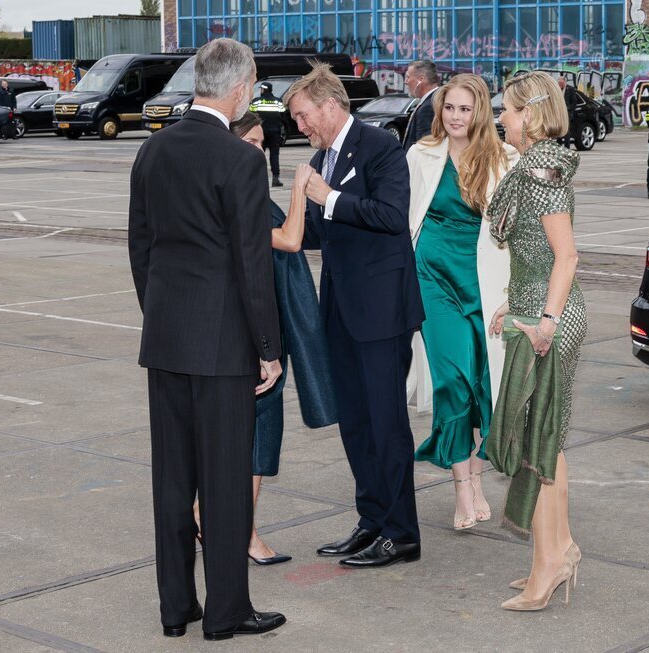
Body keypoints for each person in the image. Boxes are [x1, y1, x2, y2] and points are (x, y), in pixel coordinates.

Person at [128, 38, 286, 641]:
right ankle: (226, 612)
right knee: (224, 483)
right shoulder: (239, 159)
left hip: (166, 341)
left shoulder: (153, 150)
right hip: (222, 348)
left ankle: (176, 608)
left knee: (172, 481)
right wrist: (267, 347)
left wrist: (162, 314)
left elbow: (141, 249)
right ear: (242, 85)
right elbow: (253, 264)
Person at [285, 63, 425, 568]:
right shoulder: (324, 156)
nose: (299, 127)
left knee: (386, 423)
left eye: (302, 116)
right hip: (341, 309)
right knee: (356, 422)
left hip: (382, 311)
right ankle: (372, 519)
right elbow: (325, 234)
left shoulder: (381, 146)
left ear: (329, 106)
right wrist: (295, 209)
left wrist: (329, 197)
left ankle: (402, 532)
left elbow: (391, 217)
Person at [192, 111, 338, 566]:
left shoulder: (244, 192)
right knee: (253, 437)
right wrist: (298, 189)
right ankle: (239, 531)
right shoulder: (238, 199)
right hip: (253, 338)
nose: (257, 148)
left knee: (257, 437)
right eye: (249, 141)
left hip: (265, 332)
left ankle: (223, 522)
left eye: (260, 141)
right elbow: (291, 240)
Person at [487, 70, 587, 611]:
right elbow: (536, 254)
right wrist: (516, 299)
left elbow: (566, 257)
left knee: (542, 439)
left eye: (508, 109)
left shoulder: (541, 171)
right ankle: (560, 549)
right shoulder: (532, 166)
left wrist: (545, 319)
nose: (502, 117)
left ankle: (548, 564)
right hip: (535, 309)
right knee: (547, 439)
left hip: (551, 320)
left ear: (531, 114)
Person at [406, 73, 517, 531]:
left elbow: (517, 233)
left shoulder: (504, 158)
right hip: (431, 277)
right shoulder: (420, 154)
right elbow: (402, 217)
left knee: (478, 382)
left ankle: (473, 473)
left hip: (483, 281)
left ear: (480, 113)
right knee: (450, 379)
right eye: (449, 108)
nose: (455, 117)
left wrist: (513, 295)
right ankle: (462, 486)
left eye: (465, 109)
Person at [248, 81, 285, 187]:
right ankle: (275, 178)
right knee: (274, 155)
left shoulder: (256, 101)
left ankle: (258, 178)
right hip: (275, 132)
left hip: (261, 132)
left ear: (263, 90)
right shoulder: (278, 102)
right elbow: (283, 115)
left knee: (259, 155)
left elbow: (251, 114)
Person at [402, 60, 440, 150]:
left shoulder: (428, 106)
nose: (405, 82)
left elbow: (424, 145)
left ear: (421, 79)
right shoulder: (436, 98)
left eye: (408, 77)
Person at [556, 77, 576, 149]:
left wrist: (568, 108)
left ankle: (567, 148)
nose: (559, 85)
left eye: (561, 83)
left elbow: (574, 102)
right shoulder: (557, 90)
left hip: (567, 113)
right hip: (559, 113)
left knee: (566, 131)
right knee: (559, 131)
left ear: (565, 82)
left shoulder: (570, 89)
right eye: (558, 83)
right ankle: (559, 147)